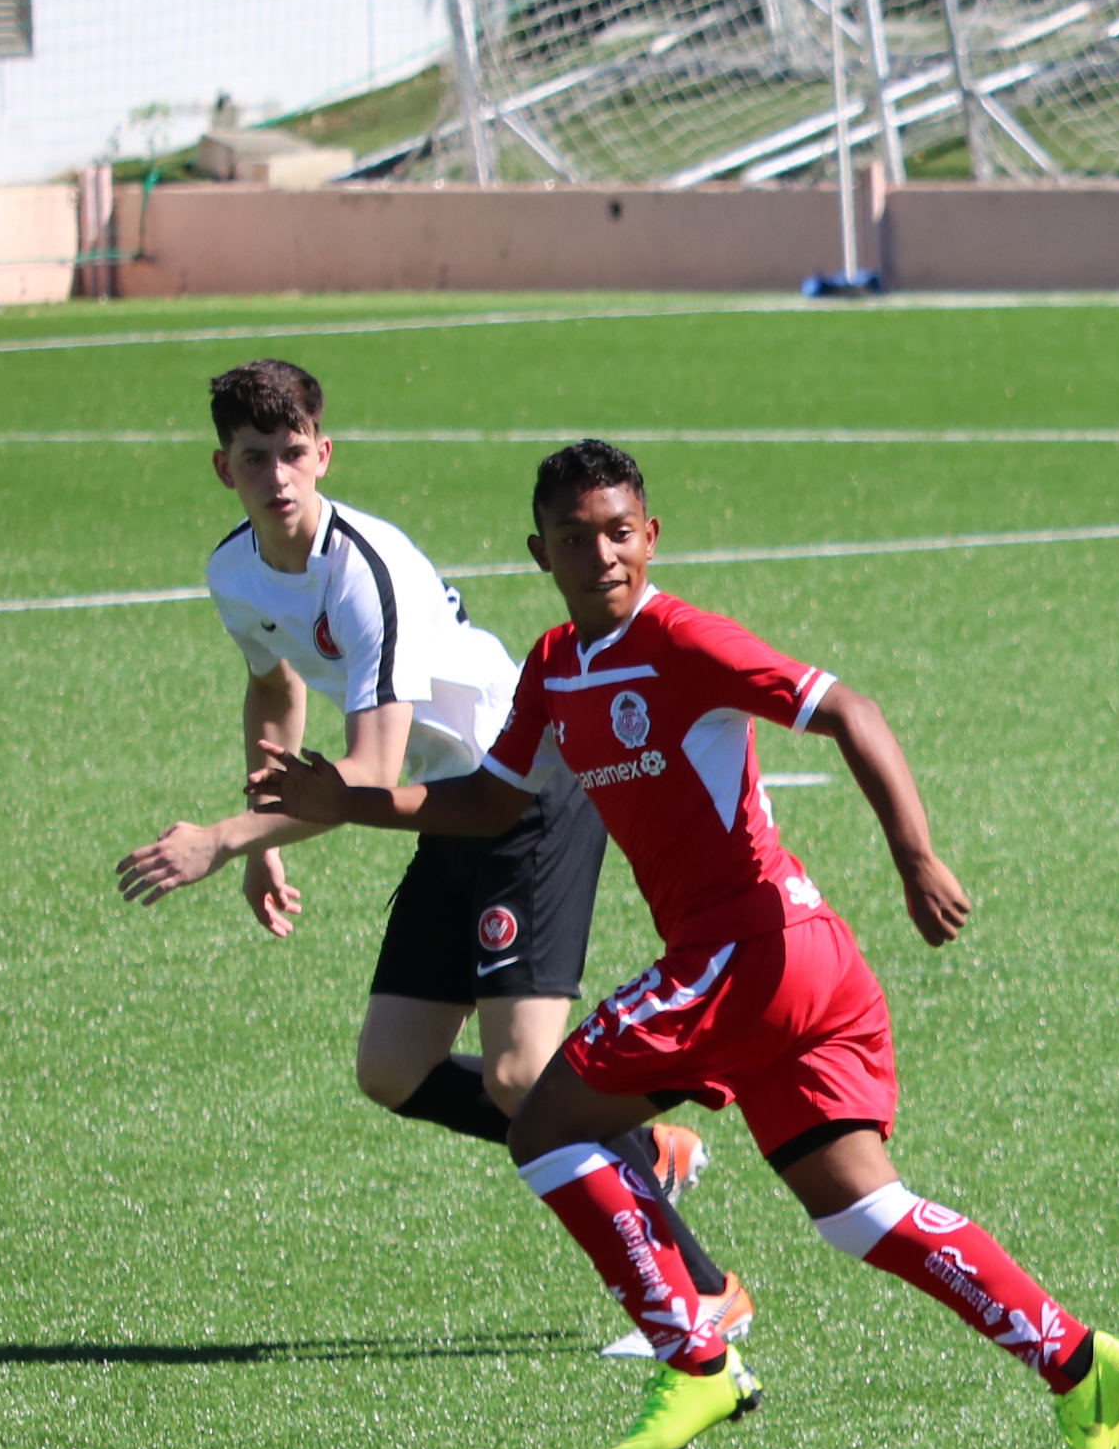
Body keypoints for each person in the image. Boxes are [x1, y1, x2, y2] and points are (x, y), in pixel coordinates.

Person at [251, 438, 1119, 1449]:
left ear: (652, 535)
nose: (603, 554)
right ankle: (1081, 1362)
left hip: (755, 947)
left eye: (621, 531)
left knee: (541, 1121)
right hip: (787, 963)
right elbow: (493, 801)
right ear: (538, 551)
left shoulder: (682, 639)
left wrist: (915, 857)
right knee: (862, 1211)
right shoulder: (551, 664)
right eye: (577, 537)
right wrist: (347, 801)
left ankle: (697, 1354)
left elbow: (847, 709)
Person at [116, 360, 741, 1357]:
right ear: (222, 468)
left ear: (323, 452)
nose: (276, 476)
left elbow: (363, 772)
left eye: (292, 453)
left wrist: (221, 838)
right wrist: (257, 833)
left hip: (526, 783)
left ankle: (702, 1291)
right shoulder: (234, 569)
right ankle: (637, 1150)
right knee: (393, 1070)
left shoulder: (367, 573)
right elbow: (275, 688)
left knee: (518, 1069)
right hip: (443, 806)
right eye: (252, 458)